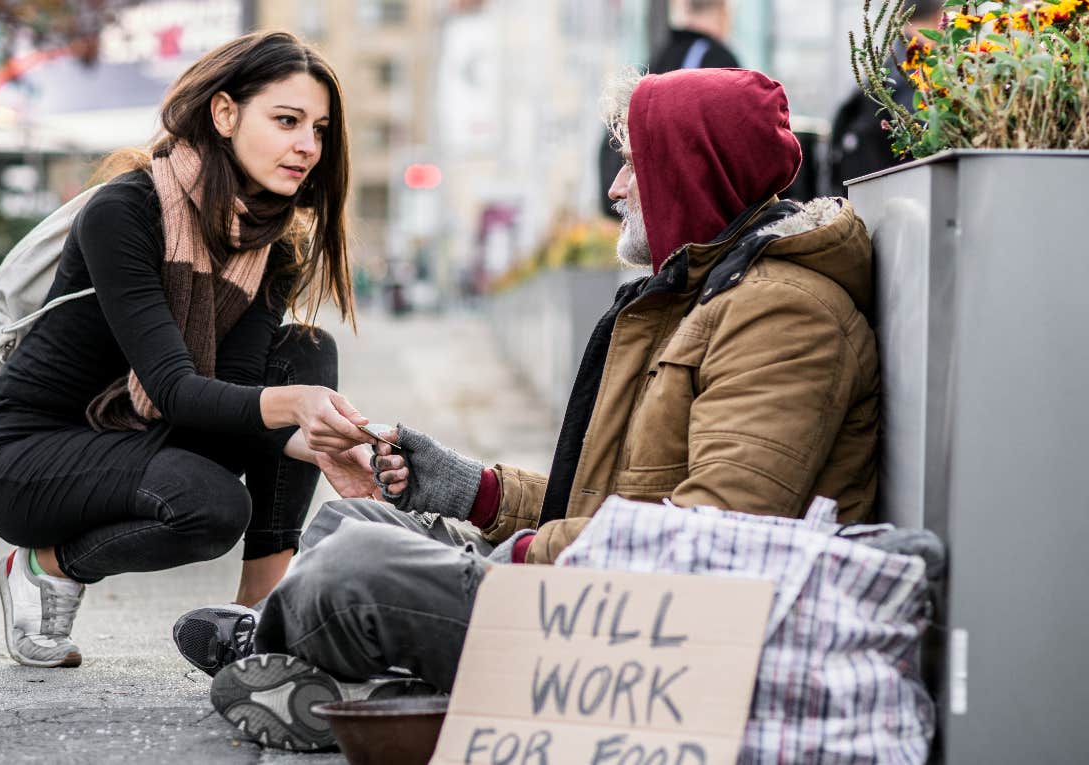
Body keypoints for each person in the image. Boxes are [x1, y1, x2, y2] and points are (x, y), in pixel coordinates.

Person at [180, 67, 881, 751]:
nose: (615, 187)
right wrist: (470, 489)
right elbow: (610, 503)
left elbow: (709, 537)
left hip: (664, 636)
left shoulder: (786, 314)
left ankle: (306, 658)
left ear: (692, 170)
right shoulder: (704, 295)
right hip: (613, 593)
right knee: (349, 520)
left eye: (634, 165)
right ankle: (367, 685)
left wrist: (517, 557)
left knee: (353, 565)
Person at [0, 31, 386, 670]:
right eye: (287, 120)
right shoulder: (124, 211)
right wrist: (296, 409)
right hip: (28, 455)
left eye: (320, 130)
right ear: (224, 114)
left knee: (304, 350)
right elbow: (174, 388)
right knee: (211, 506)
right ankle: (43, 567)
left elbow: (238, 388)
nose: (308, 145)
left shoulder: (271, 243)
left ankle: (260, 615)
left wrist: (327, 441)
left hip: (147, 436)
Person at [599, 0, 741, 218]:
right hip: (679, 216)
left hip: (640, 212)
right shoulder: (718, 61)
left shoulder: (659, 57)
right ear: (724, 13)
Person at [828, 0, 945, 194]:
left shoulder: (887, 66)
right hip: (906, 197)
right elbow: (928, 139)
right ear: (941, 17)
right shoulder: (919, 70)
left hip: (872, 195)